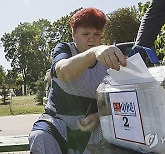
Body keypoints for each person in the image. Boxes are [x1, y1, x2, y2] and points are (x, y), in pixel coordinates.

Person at [28, 7, 126, 154]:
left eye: (97, 34)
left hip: (91, 125)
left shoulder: (108, 59)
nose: (92, 38)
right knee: (40, 137)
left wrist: (98, 116)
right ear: (73, 34)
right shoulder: (64, 49)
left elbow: (117, 100)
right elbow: (63, 72)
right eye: (85, 33)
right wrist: (93, 52)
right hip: (58, 122)